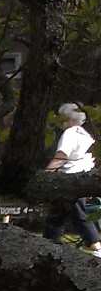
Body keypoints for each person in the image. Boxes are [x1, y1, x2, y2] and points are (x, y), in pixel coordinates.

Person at [43, 103, 101, 256]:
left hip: (71, 181)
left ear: (67, 119)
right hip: (89, 177)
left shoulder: (69, 133)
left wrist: (46, 173)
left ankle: (97, 248)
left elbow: (62, 156)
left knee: (80, 216)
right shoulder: (85, 134)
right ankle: (49, 245)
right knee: (92, 212)